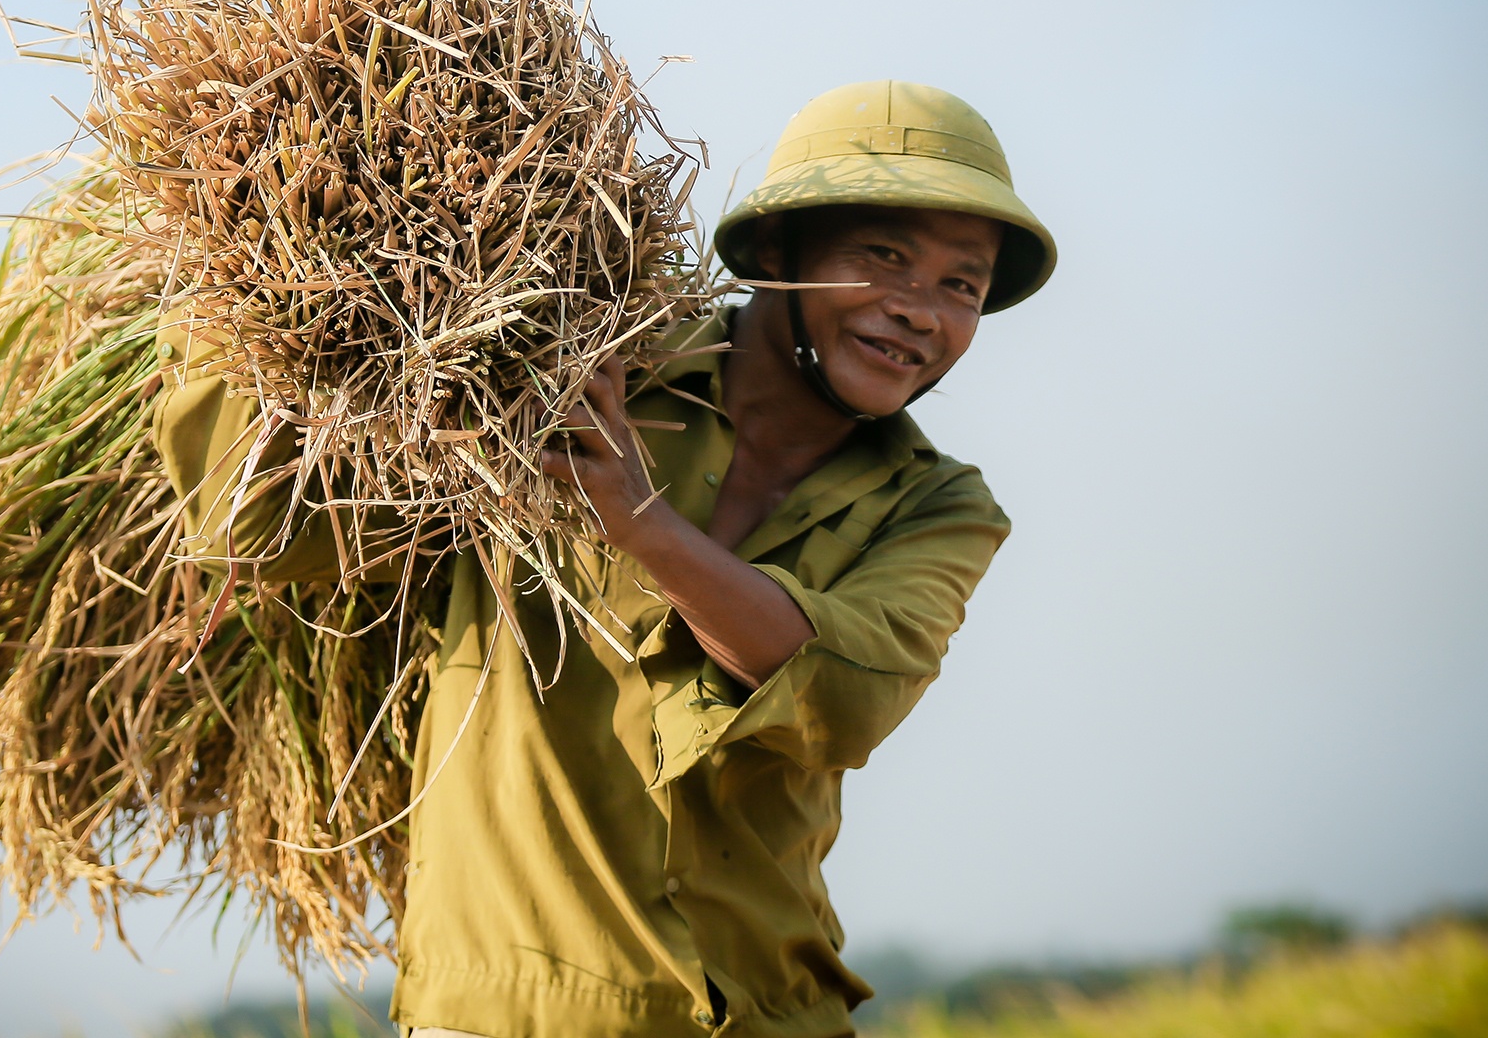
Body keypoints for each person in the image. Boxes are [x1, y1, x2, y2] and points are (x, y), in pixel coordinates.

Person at [154, 79, 1056, 1037]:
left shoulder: (938, 504)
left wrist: (641, 523)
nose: (922, 310)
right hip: (510, 1009)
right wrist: (273, 263)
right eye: (883, 257)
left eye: (962, 283)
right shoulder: (570, 364)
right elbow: (268, 539)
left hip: (773, 1011)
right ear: (780, 255)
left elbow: (847, 695)